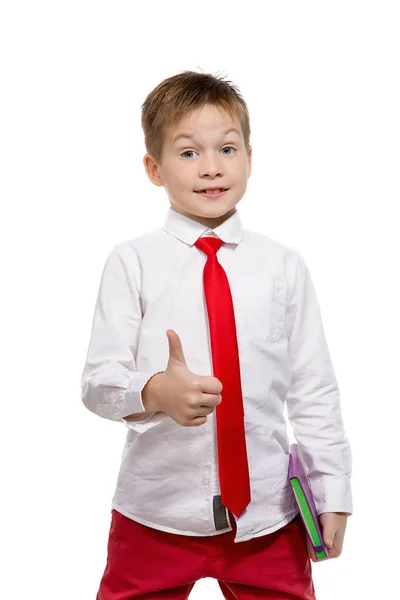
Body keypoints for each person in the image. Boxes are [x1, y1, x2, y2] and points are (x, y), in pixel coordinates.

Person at [81, 70, 353, 600]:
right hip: (155, 512)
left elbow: (313, 386)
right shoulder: (131, 262)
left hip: (269, 516)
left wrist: (332, 489)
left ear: (250, 158)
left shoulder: (283, 265)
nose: (211, 167)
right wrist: (154, 390)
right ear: (153, 169)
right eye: (187, 153)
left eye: (227, 148)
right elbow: (97, 381)